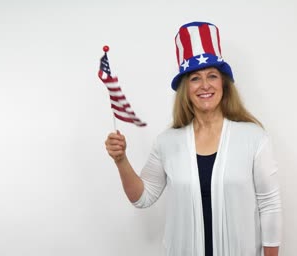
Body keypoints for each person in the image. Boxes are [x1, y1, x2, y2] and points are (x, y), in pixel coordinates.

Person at [105, 21, 282, 256]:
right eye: (195, 78)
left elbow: (269, 206)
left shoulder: (254, 138)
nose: (205, 85)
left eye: (212, 76)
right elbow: (142, 197)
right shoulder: (167, 142)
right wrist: (121, 160)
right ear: (185, 88)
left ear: (224, 84)